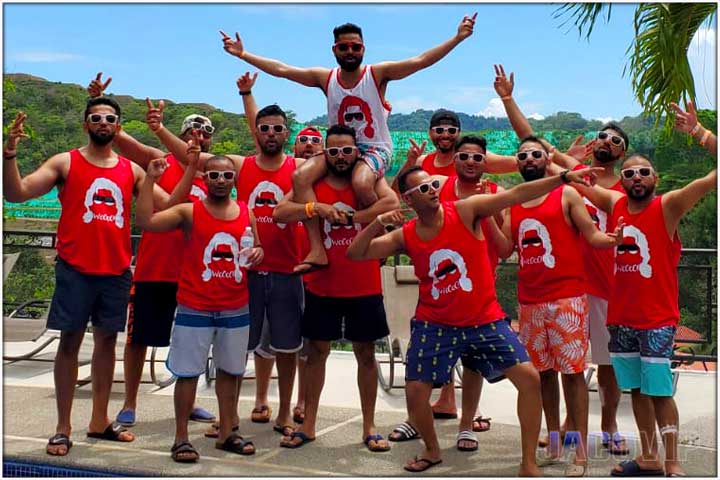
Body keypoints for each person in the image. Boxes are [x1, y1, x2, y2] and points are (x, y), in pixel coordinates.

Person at [347, 164, 600, 474]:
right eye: (422, 189)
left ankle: (528, 462)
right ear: (409, 200)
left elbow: (517, 194)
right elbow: (356, 254)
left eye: (432, 186)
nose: (432, 191)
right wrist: (376, 223)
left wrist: (560, 179)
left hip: (485, 319)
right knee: (415, 392)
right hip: (435, 323)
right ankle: (432, 449)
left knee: (530, 379)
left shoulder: (465, 210)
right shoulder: (407, 234)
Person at [3, 99, 190, 456]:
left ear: (118, 125)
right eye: (96, 118)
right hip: (75, 269)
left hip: (116, 270)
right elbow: (17, 193)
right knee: (69, 344)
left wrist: (180, 170)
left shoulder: (131, 170)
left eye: (110, 119)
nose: (103, 123)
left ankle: (100, 420)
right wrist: (9, 155)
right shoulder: (65, 162)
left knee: (107, 344)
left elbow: (169, 206)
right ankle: (62, 427)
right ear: (86, 123)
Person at [221, 14, 477, 273]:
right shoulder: (326, 78)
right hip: (336, 149)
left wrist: (457, 38)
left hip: (375, 148)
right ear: (335, 50)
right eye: (344, 47)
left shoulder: (376, 74)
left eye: (355, 47)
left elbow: (420, 61)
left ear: (363, 49)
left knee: (361, 181)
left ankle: (374, 235)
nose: (350, 51)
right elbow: (284, 70)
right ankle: (317, 248)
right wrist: (245, 55)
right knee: (300, 176)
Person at [573, 101, 716, 477]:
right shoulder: (615, 202)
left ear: (655, 178)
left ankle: (672, 460)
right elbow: (567, 179)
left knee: (660, 392)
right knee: (636, 389)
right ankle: (649, 456)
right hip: (621, 319)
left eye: (644, 172)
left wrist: (700, 134)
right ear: (622, 179)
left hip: (656, 320)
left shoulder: (669, 206)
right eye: (630, 172)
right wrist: (572, 165)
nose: (636, 177)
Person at [494, 63, 630, 453]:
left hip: (606, 284)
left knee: (606, 363)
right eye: (602, 135)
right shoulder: (573, 175)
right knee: (560, 364)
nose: (606, 140)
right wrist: (507, 99)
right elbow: (530, 143)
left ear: (623, 154)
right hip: (562, 286)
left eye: (615, 140)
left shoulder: (626, 187)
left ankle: (606, 427)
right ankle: (566, 427)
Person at [86, 72, 217, 427]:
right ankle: (129, 402)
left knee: (192, 343)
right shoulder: (158, 160)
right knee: (139, 338)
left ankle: (188, 404)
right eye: (192, 130)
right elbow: (120, 139)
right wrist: (98, 100)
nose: (198, 137)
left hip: (196, 273)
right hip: (155, 269)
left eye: (205, 133)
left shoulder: (216, 173)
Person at [272, 124, 399, 451]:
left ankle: (369, 425)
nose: (341, 157)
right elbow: (280, 213)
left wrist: (356, 216)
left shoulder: (367, 180)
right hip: (322, 284)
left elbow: (391, 204)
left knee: (366, 355)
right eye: (334, 151)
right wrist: (317, 209)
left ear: (357, 151)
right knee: (316, 354)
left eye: (347, 150)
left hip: (364, 284)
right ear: (324, 153)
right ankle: (310, 423)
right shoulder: (311, 183)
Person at [136, 145, 265, 462]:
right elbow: (146, 223)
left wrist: (258, 253)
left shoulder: (247, 211)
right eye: (215, 175)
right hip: (195, 306)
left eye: (227, 175)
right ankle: (181, 438)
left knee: (231, 371)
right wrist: (150, 182)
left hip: (236, 305)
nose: (221, 180)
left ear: (234, 179)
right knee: (188, 373)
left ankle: (227, 432)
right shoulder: (189, 211)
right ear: (205, 178)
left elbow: (255, 247)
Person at [388, 135, 507, 448]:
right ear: (454, 159)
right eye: (464, 156)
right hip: (439, 286)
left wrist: (487, 214)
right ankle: (417, 418)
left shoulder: (495, 192)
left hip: (479, 285)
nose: (470, 162)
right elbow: (399, 194)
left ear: (486, 162)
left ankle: (465, 424)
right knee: (424, 359)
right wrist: (411, 162)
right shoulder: (438, 185)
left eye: (477, 158)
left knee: (472, 360)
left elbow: (505, 248)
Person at [391, 109, 517, 191]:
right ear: (430, 133)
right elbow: (396, 190)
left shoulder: (473, 158)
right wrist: (410, 162)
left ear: (459, 133)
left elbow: (519, 163)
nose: (445, 135)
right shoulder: (421, 162)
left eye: (451, 130)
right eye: (439, 130)